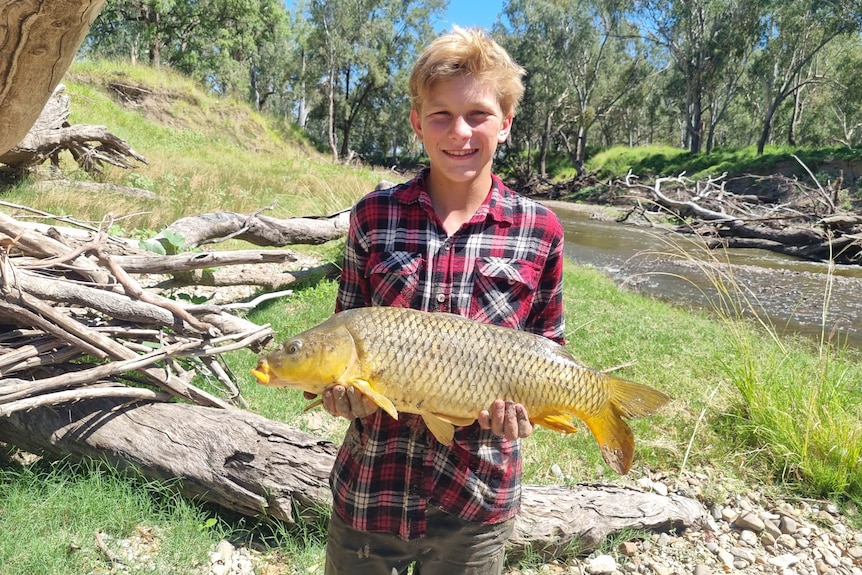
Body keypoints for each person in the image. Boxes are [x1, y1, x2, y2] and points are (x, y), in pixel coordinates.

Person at [311, 25, 566, 575]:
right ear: (416, 123)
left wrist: (525, 413)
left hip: (476, 499)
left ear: (506, 123)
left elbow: (549, 347)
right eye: (441, 115)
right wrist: (339, 393)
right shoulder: (373, 216)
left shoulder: (540, 230)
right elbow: (344, 333)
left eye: (478, 114)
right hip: (371, 490)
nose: (460, 132)